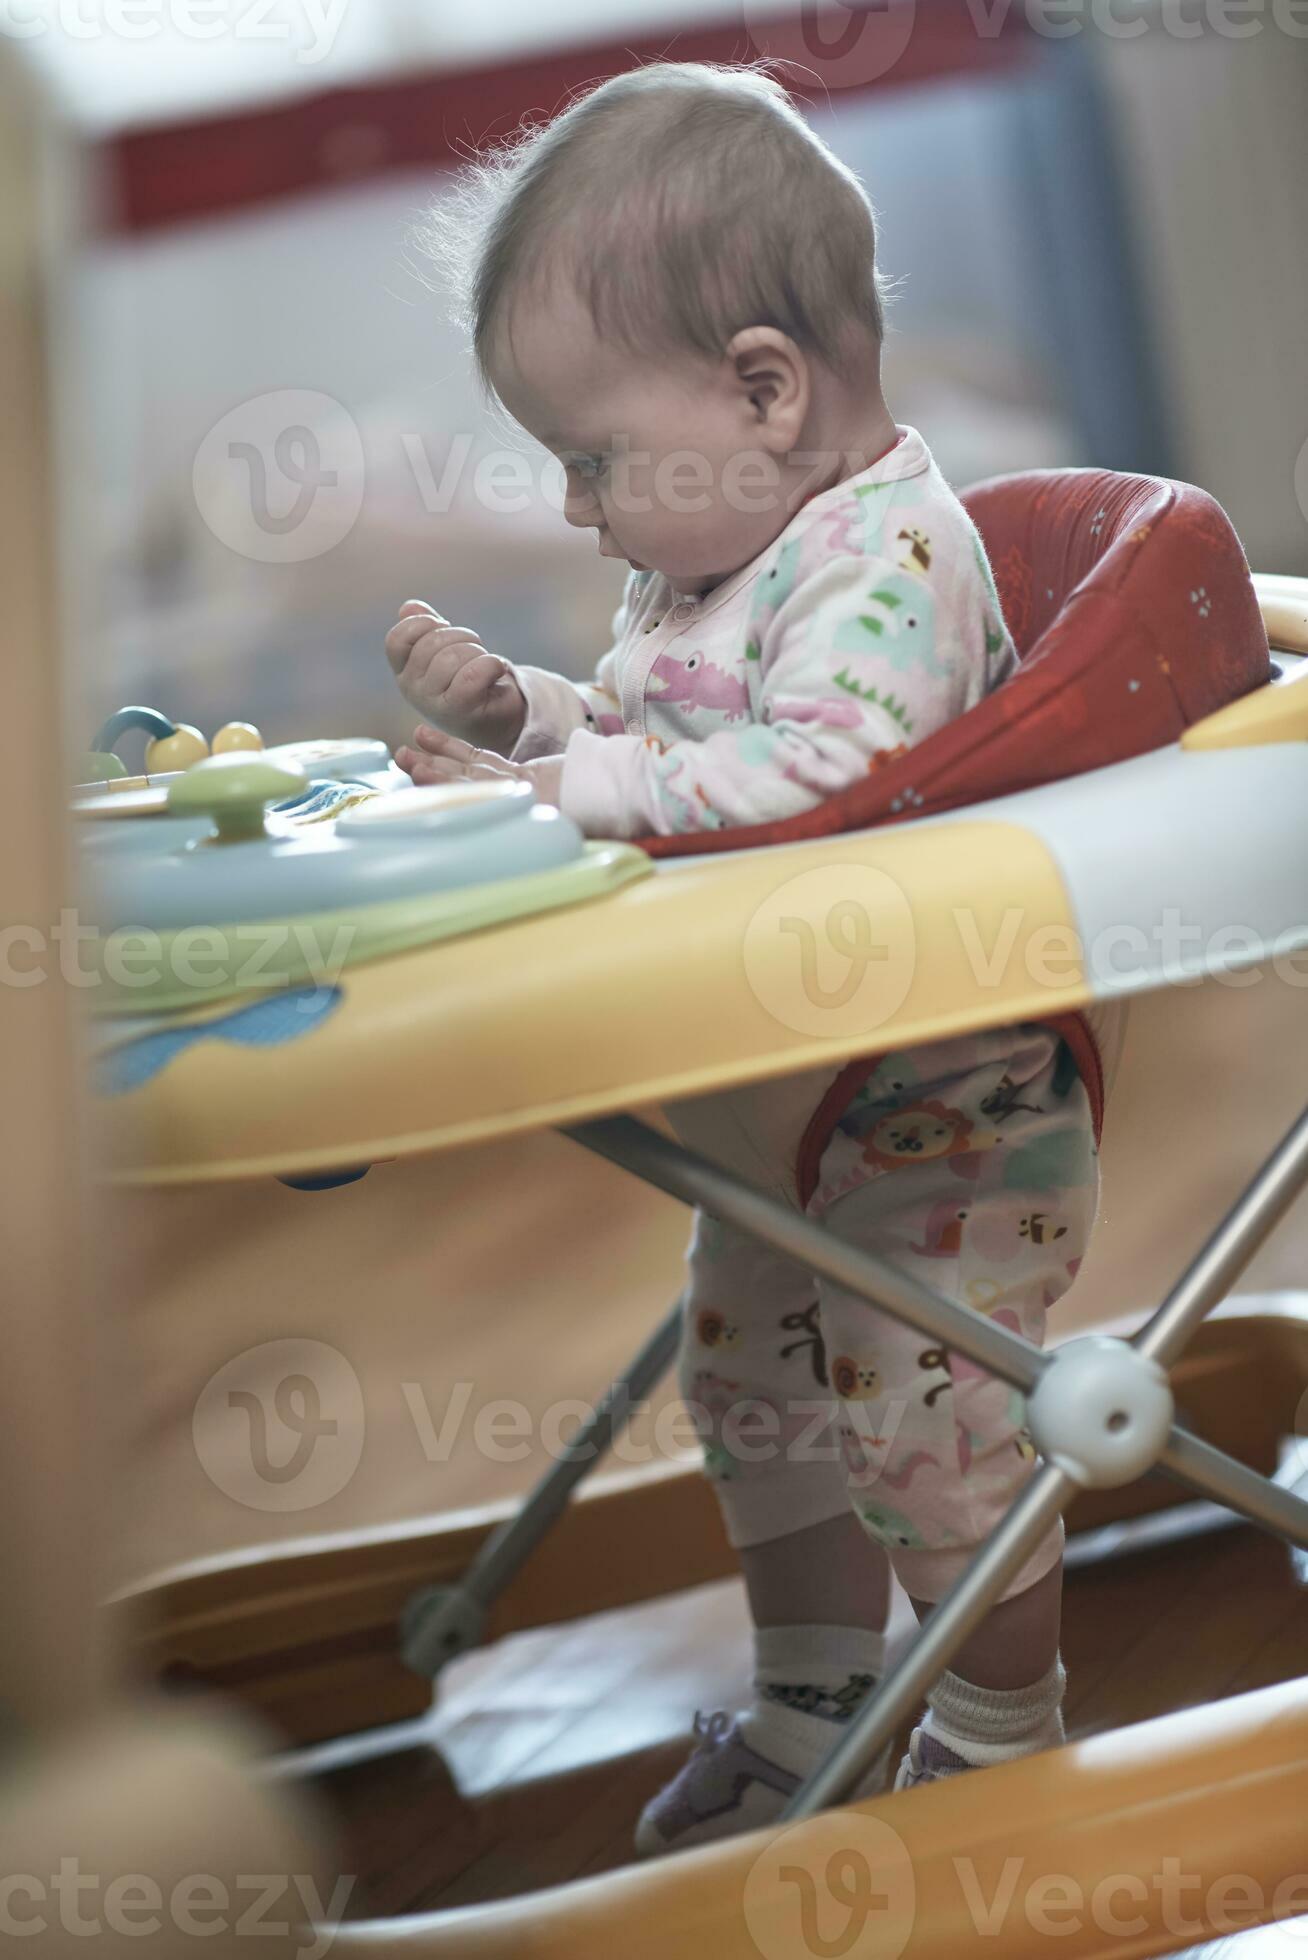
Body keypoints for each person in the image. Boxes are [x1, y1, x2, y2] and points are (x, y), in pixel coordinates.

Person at [383, 61, 1097, 1857]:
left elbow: (814, 773)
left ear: (763, 389)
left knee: (926, 1422)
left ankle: (1007, 1741)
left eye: (591, 457)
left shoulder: (883, 563)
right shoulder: (715, 567)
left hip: (947, 1098)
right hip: (793, 1100)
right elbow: (659, 734)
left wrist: (574, 789)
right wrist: (527, 716)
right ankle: (817, 1714)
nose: (573, 509)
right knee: (758, 1387)